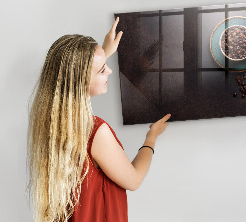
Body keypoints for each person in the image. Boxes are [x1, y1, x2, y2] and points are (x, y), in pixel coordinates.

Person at [27, 18, 171, 222]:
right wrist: (151, 137)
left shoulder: (50, 120)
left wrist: (104, 52)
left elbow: (76, 74)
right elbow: (134, 180)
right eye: (102, 69)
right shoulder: (95, 132)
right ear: (81, 80)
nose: (110, 71)